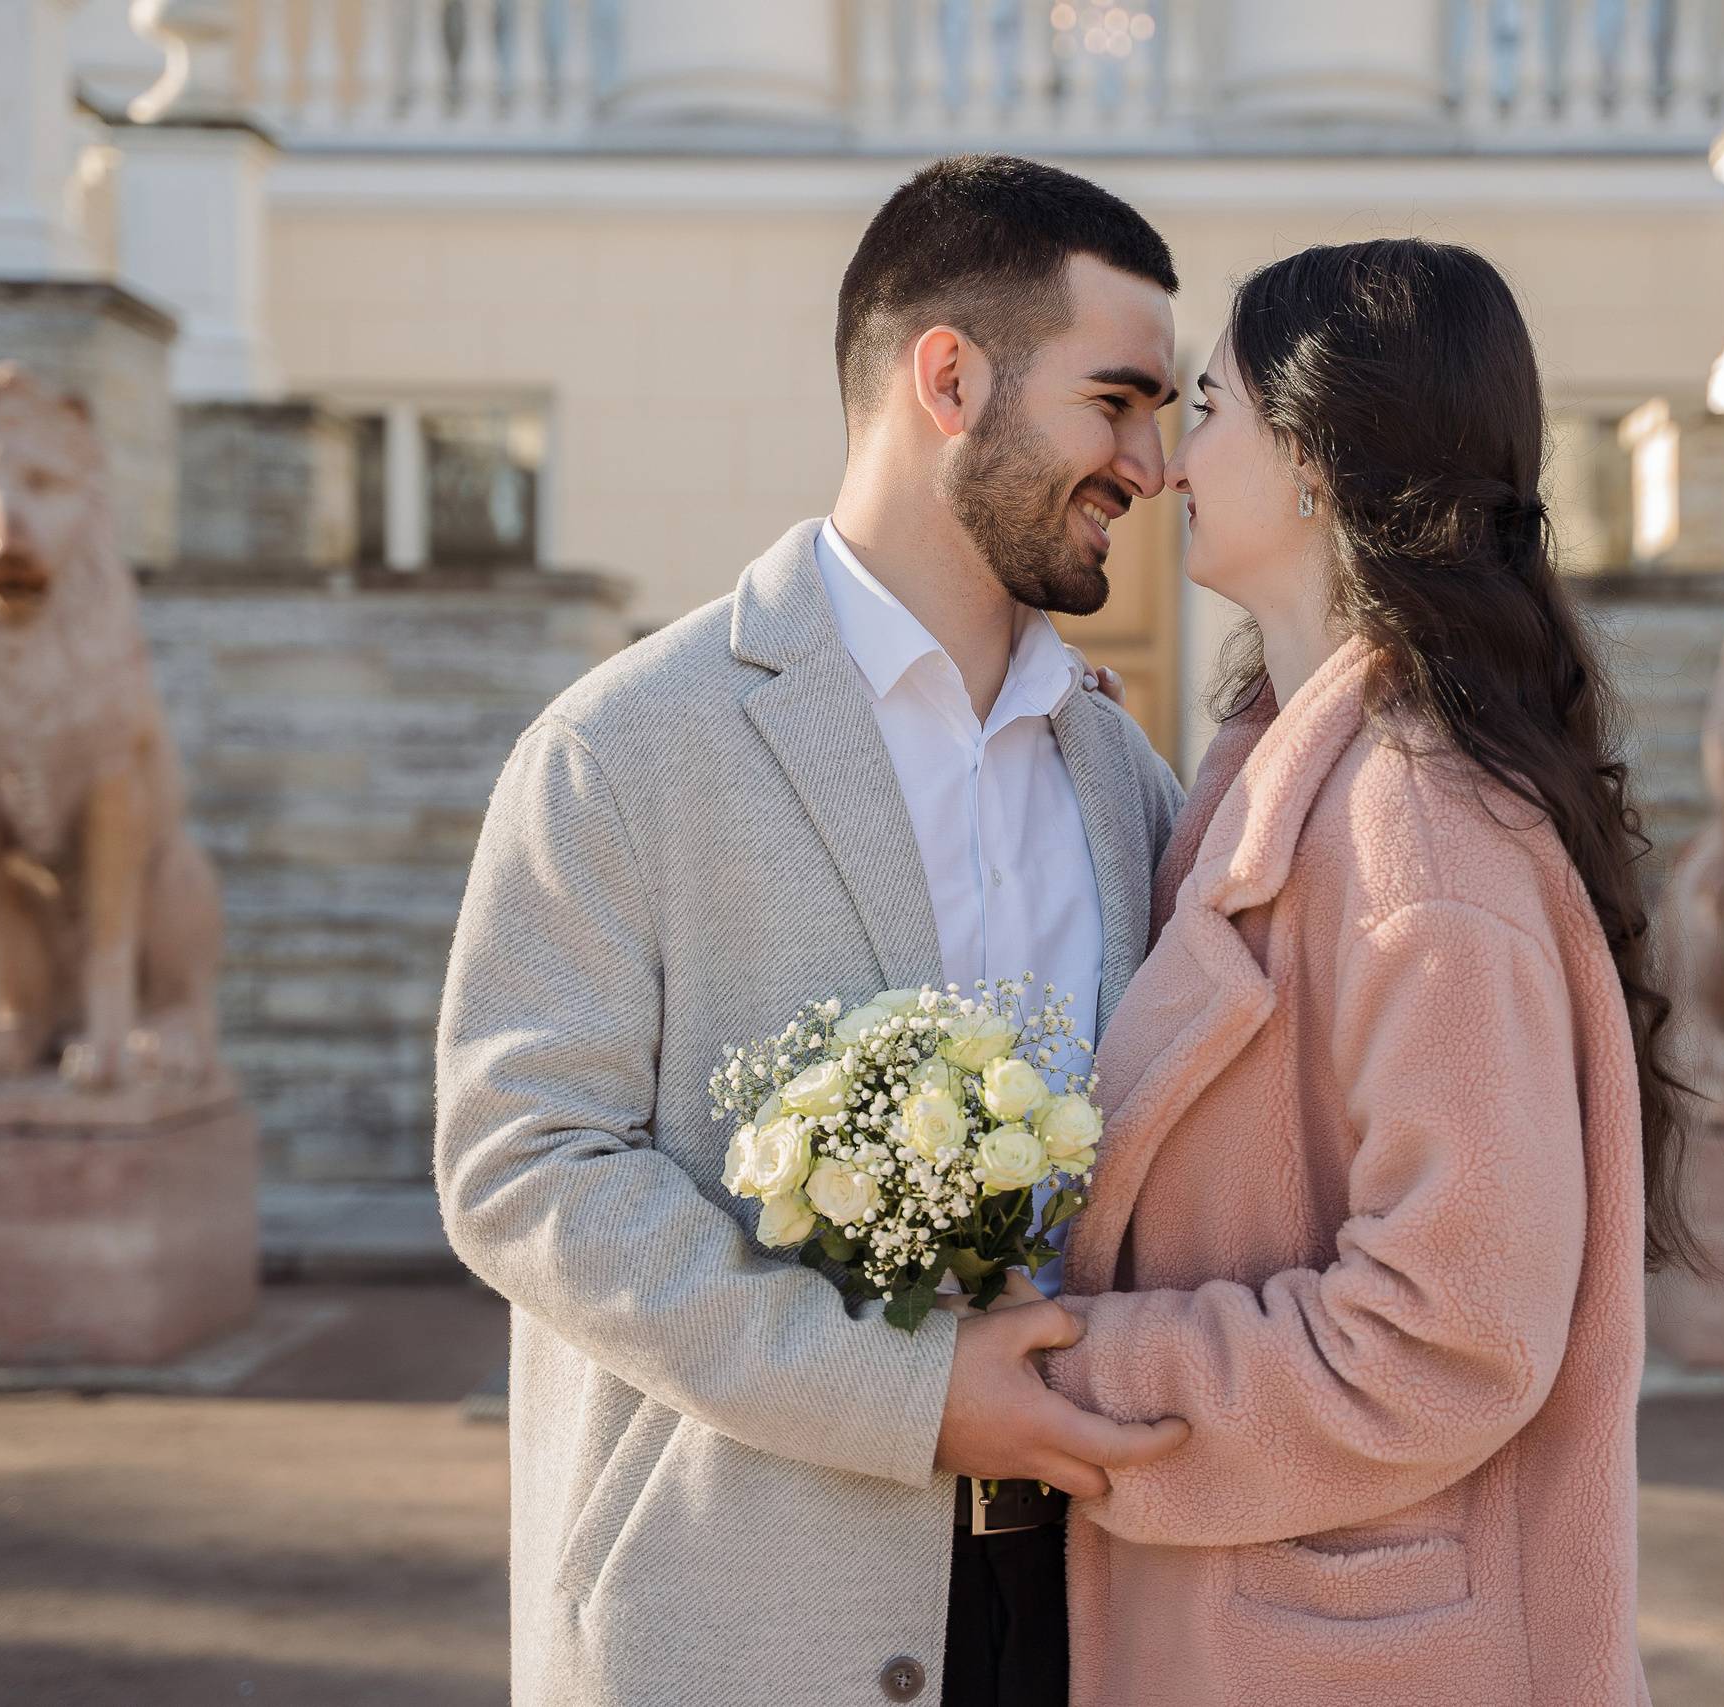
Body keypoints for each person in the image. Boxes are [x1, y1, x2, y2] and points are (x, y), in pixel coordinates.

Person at [433, 154, 1190, 1707]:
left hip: (1093, 1615)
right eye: (1117, 401)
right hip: (734, 1622)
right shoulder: (626, 748)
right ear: (950, 378)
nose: (1154, 462)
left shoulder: (1129, 781)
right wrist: (896, 1392)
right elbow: (519, 1161)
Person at [1039, 239, 1699, 1705]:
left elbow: (1450, 1335)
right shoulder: (1284, 786)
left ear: (1320, 464)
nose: (1164, 463)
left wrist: (1062, 1372)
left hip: (1364, 1652)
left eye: (1205, 406)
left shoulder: (1420, 828)